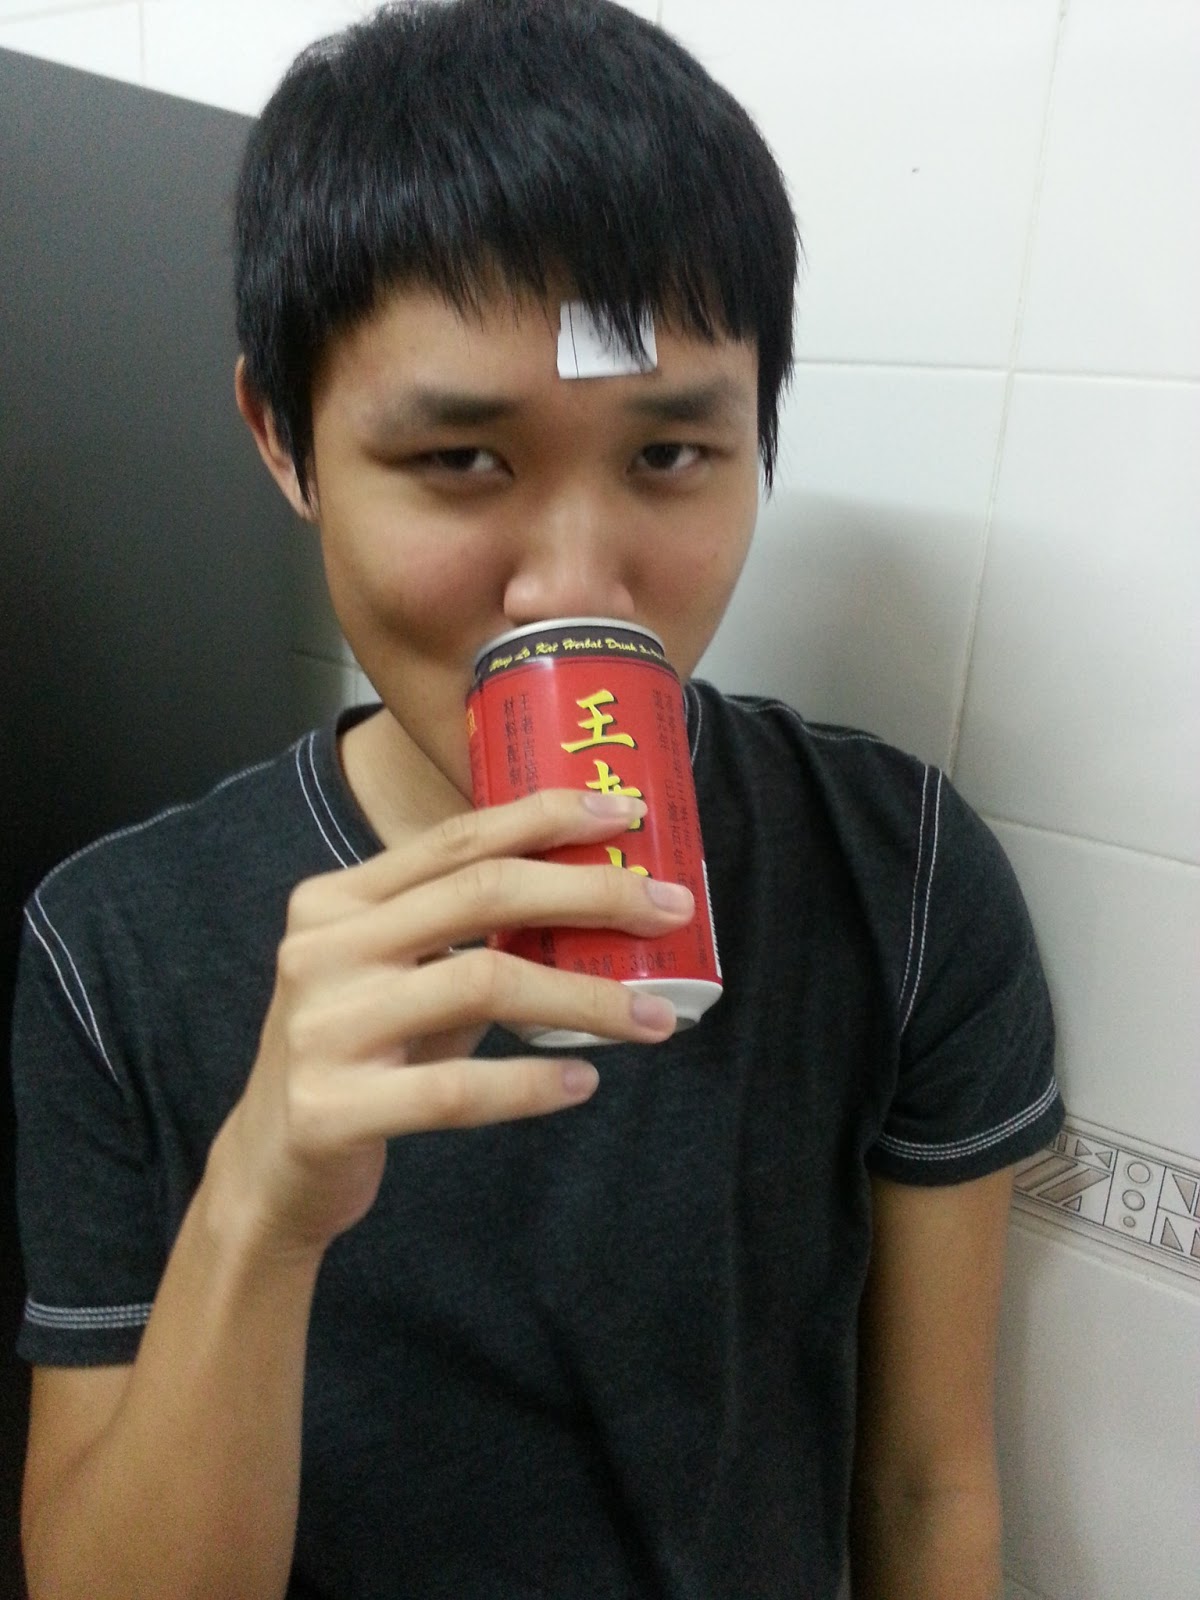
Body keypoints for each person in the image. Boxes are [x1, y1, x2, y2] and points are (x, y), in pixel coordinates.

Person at [10, 2, 1065, 1596]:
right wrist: (260, 1209)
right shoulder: (113, 944)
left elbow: (927, 1489)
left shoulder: (898, 872)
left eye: (670, 455)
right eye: (462, 461)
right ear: (285, 442)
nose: (573, 589)